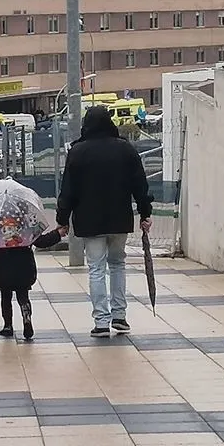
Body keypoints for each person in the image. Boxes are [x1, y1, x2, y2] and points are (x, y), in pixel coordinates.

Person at [56, 105, 153, 338]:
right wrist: (145, 212)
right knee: (118, 264)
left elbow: (68, 189)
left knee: (96, 268)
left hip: (90, 221)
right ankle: (120, 316)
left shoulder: (78, 152)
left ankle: (101, 321)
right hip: (119, 218)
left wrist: (62, 219)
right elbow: (140, 184)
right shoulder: (125, 149)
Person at [0, 227, 65, 340]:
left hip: (2, 265)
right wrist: (57, 234)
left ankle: (8, 325)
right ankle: (26, 317)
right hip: (23, 265)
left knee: (5, 297)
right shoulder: (25, 224)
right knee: (23, 296)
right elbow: (41, 241)